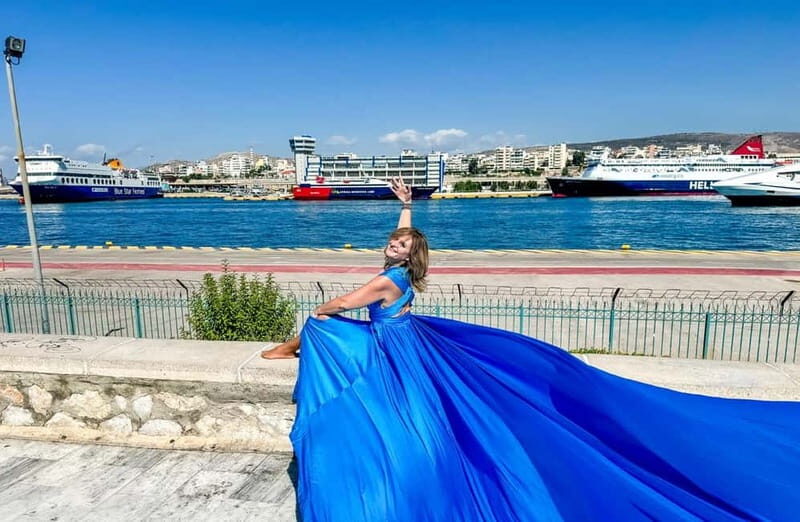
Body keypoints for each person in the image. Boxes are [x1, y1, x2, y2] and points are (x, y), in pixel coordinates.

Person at [270, 178, 800, 521]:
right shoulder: (404, 272)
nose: (394, 243)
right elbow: (398, 252)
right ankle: (292, 348)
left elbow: (345, 301)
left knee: (327, 333)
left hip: (396, 347)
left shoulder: (385, 281)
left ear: (409, 257)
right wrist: (405, 209)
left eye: (401, 243)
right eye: (393, 240)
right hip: (411, 338)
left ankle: (292, 348)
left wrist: (318, 314)